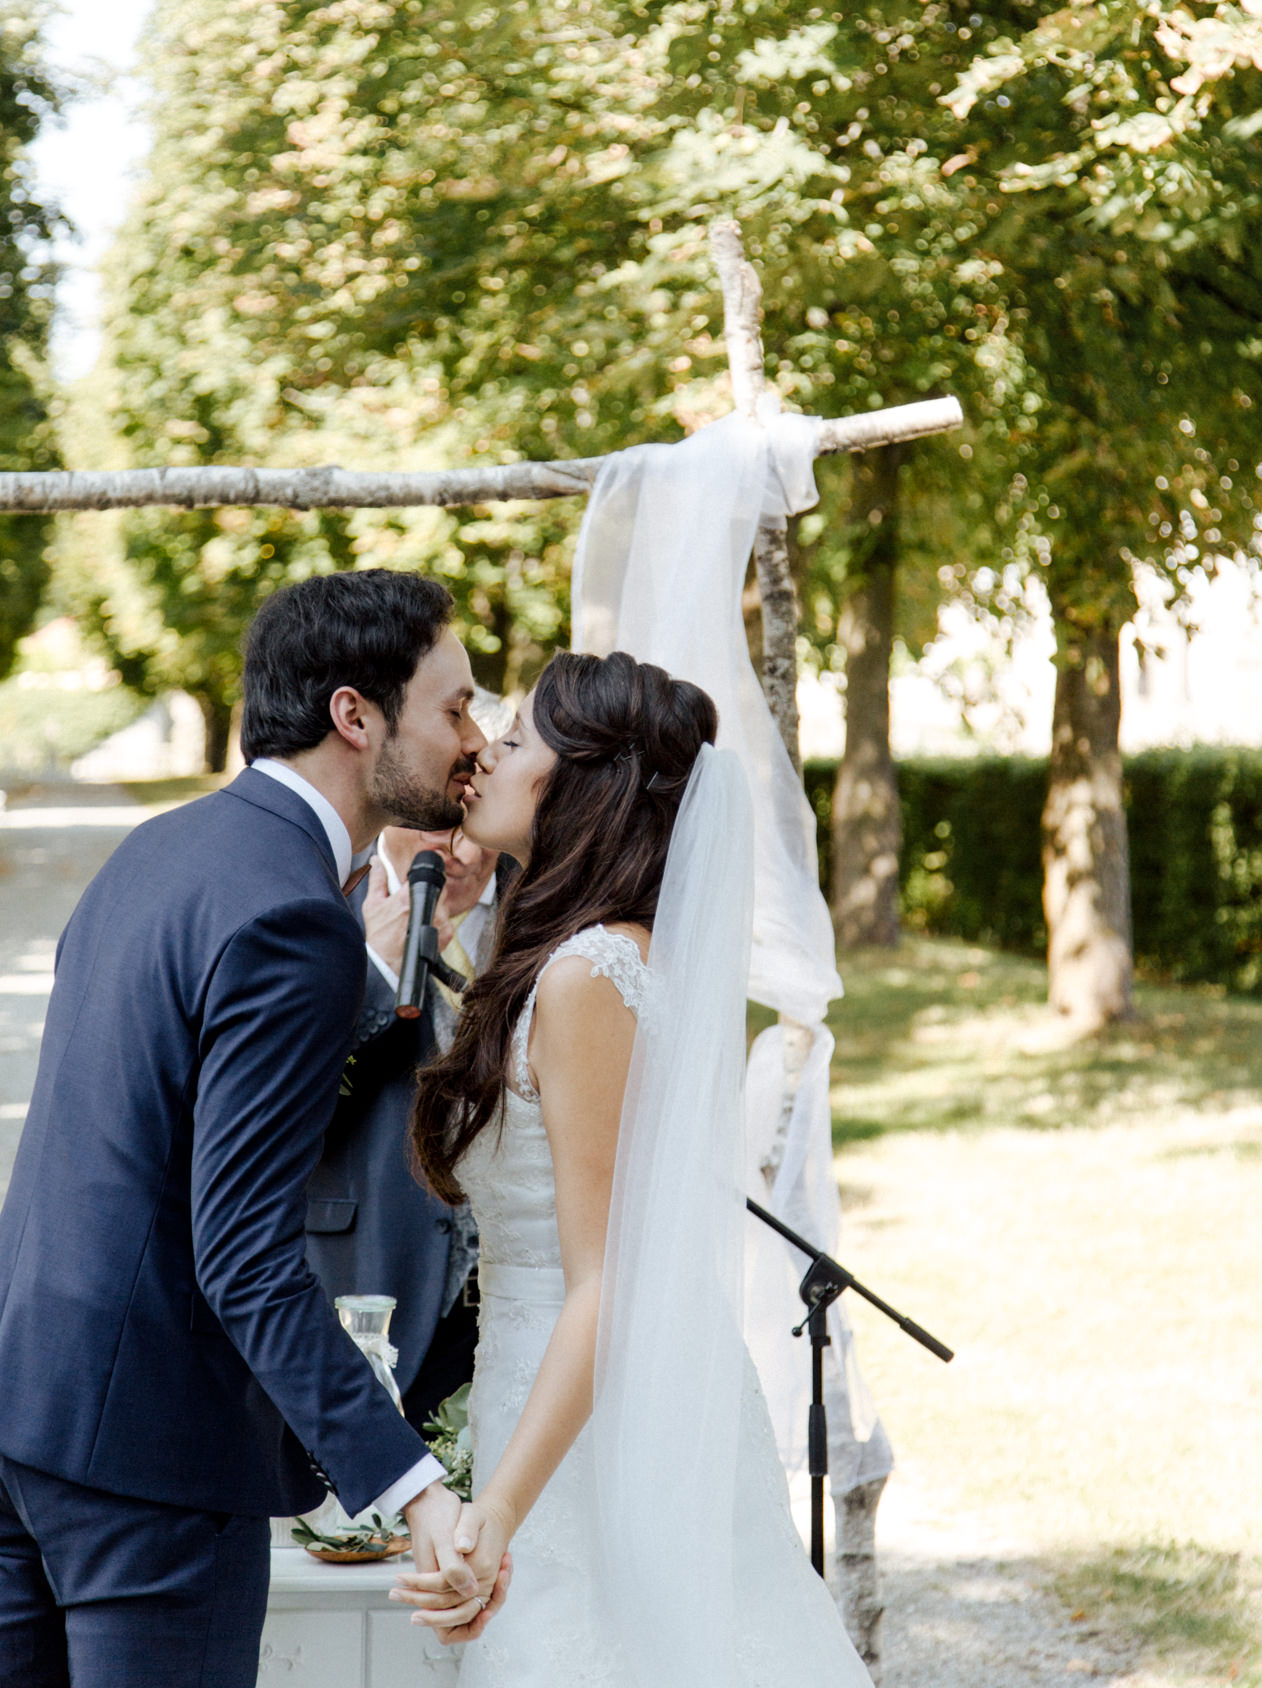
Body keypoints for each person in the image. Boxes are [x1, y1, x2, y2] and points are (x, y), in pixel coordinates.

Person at [0, 570, 510, 1688]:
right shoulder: (293, 915)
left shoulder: (156, 849)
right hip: (149, 1458)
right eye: (456, 705)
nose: (475, 738)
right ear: (353, 713)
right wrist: (411, 1483)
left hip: (22, 1404)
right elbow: (239, 1252)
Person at [398, 649, 872, 1685]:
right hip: (552, 1393)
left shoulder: (586, 977)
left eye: (517, 737)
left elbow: (603, 1282)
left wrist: (497, 1515)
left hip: (592, 1435)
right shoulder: (579, 955)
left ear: (582, 786)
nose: (484, 752)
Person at [306, 825, 499, 1433]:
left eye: (475, 828)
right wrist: (371, 977)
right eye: (444, 829)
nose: (462, 853)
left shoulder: (553, 904)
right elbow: (282, 1100)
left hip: (519, 1284)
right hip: (374, 1271)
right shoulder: (322, 901)